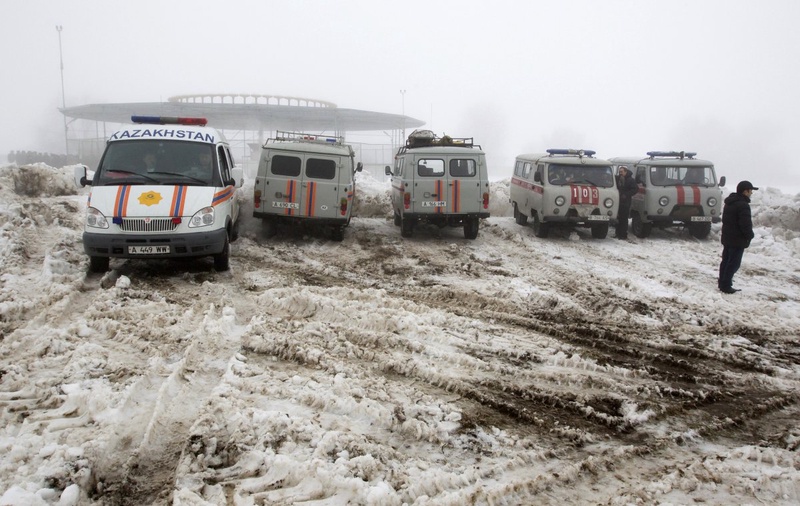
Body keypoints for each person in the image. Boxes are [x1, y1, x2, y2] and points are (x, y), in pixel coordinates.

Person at [718, 180, 757, 294]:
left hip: (728, 237)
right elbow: (745, 224)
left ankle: (722, 283)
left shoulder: (730, 202)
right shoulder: (743, 205)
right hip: (737, 239)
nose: (751, 193)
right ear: (745, 191)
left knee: (726, 261)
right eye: (750, 191)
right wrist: (750, 235)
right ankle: (726, 285)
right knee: (733, 263)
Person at [614, 166, 639, 239]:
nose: (620, 173)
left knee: (624, 219)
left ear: (626, 172)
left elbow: (635, 189)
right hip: (617, 201)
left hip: (625, 202)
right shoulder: (618, 178)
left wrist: (626, 194)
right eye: (619, 172)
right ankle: (617, 233)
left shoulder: (631, 180)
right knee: (617, 218)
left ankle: (623, 235)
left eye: (621, 172)